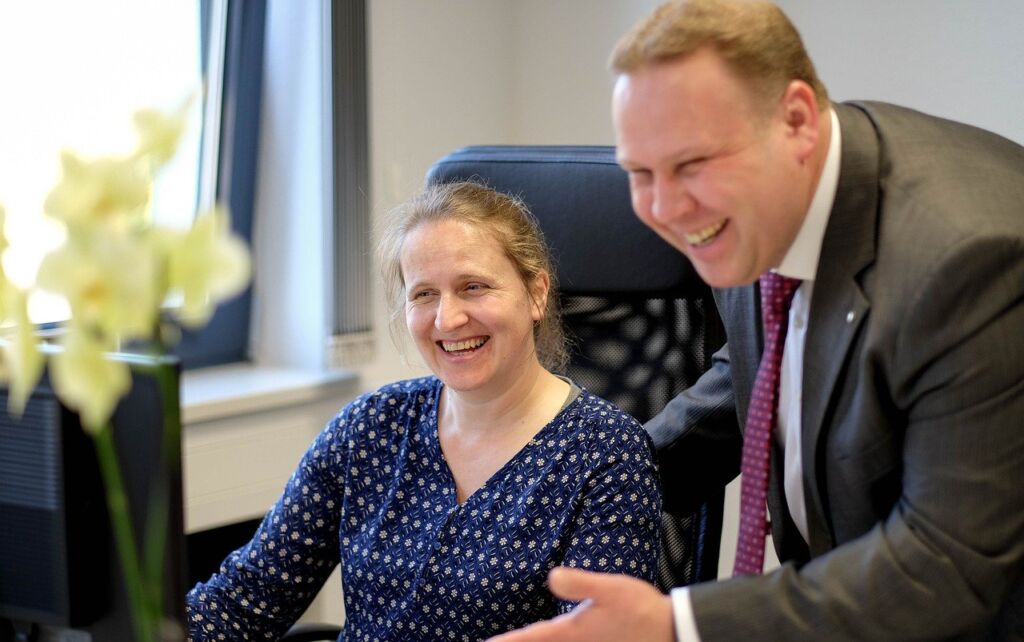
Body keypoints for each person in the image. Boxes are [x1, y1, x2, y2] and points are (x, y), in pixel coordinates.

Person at [490, 1, 1024, 640]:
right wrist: (576, 484)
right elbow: (759, 370)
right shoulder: (759, 207)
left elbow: (946, 566)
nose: (665, 210)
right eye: (639, 173)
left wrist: (678, 623)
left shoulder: (968, 261)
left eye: (691, 165)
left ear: (796, 120)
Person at [185, 181, 661, 641]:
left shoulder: (605, 454)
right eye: (424, 294)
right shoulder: (370, 428)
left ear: (536, 293)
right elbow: (242, 602)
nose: (447, 319)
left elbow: (594, 634)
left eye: (473, 287)